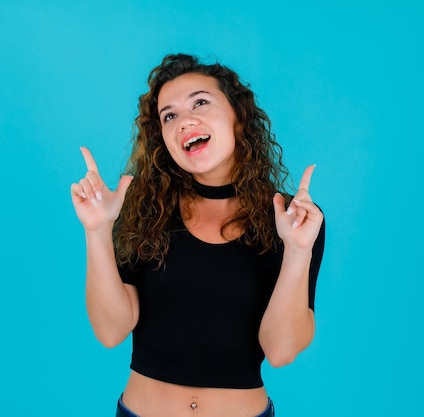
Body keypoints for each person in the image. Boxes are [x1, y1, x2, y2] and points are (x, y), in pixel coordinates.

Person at [71, 53, 325, 417]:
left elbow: (280, 351)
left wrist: (298, 250)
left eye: (201, 102)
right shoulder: (143, 210)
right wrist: (96, 231)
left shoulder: (293, 220)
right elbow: (111, 332)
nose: (184, 121)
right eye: (169, 115)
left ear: (238, 116)